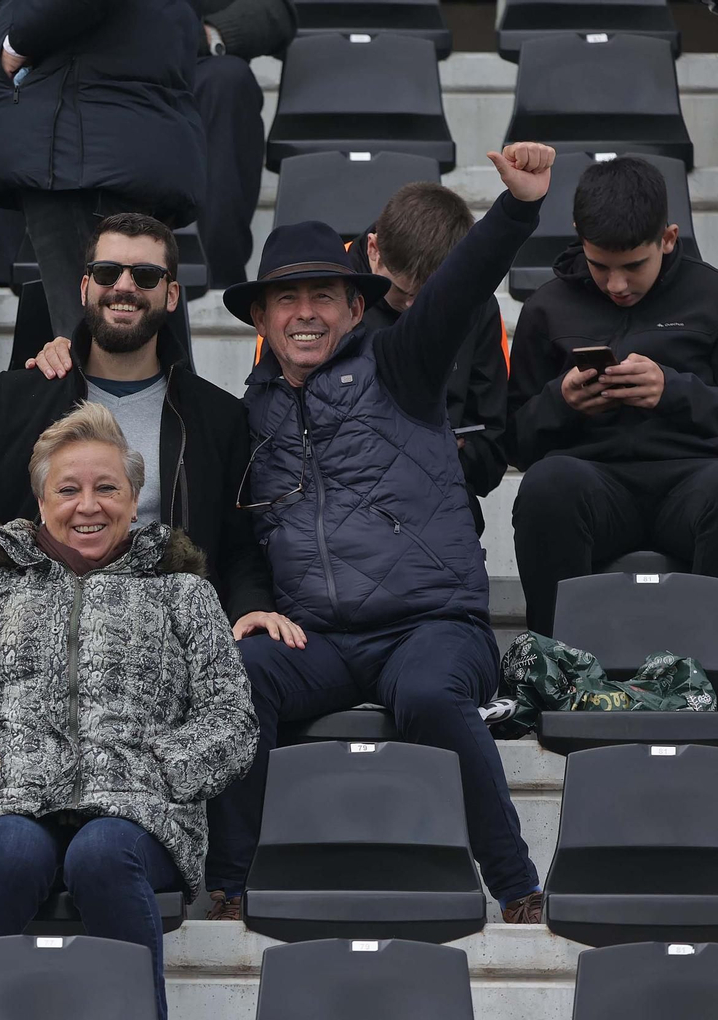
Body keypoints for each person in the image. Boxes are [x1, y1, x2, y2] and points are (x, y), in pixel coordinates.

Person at [203, 143, 558, 925]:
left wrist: (518, 209)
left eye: (323, 295)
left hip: (430, 623)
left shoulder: (403, 363)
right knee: (240, 675)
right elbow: (245, 542)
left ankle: (516, 885)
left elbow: (457, 289)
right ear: (259, 319)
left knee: (432, 694)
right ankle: (229, 884)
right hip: (319, 638)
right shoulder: (248, 416)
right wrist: (255, 606)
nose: (305, 312)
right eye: (286, 299)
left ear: (357, 307)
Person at [0, 401, 257, 1020]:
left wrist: (160, 773)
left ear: (135, 501)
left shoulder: (184, 593)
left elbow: (232, 719)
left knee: (103, 855)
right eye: (69, 489)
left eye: (107, 488)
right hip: (7, 803)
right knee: (12, 855)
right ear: (41, 503)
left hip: (139, 814)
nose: (89, 506)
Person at [0, 213, 305, 651]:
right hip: (21, 631)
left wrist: (251, 605)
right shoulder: (17, 395)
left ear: (171, 294)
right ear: (84, 287)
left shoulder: (217, 416)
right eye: (107, 272)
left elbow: (237, 548)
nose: (124, 287)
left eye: (145, 275)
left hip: (158, 639)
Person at [508, 156, 718, 636]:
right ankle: (557, 669)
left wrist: (674, 392)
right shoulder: (547, 306)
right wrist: (561, 403)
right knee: (547, 486)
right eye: (600, 265)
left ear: (667, 239)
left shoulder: (710, 295)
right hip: (592, 483)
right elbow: (512, 444)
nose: (617, 285)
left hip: (695, 480)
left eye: (633, 266)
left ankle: (710, 678)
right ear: (580, 235)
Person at [0, 0, 206, 345]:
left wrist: (17, 40)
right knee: (120, 338)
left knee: (91, 341)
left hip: (80, 152)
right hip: (109, 138)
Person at [347, 182, 509, 534]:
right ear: (373, 250)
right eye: (401, 293)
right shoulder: (324, 289)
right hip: (341, 484)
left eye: (428, 300)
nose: (411, 310)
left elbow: (491, 450)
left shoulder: (476, 306)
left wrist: (444, 451)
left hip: (438, 486)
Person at [195, 0, 297, 287]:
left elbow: (275, 11)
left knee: (228, 79)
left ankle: (216, 274)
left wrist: (208, 36)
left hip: (194, 70)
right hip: (105, 80)